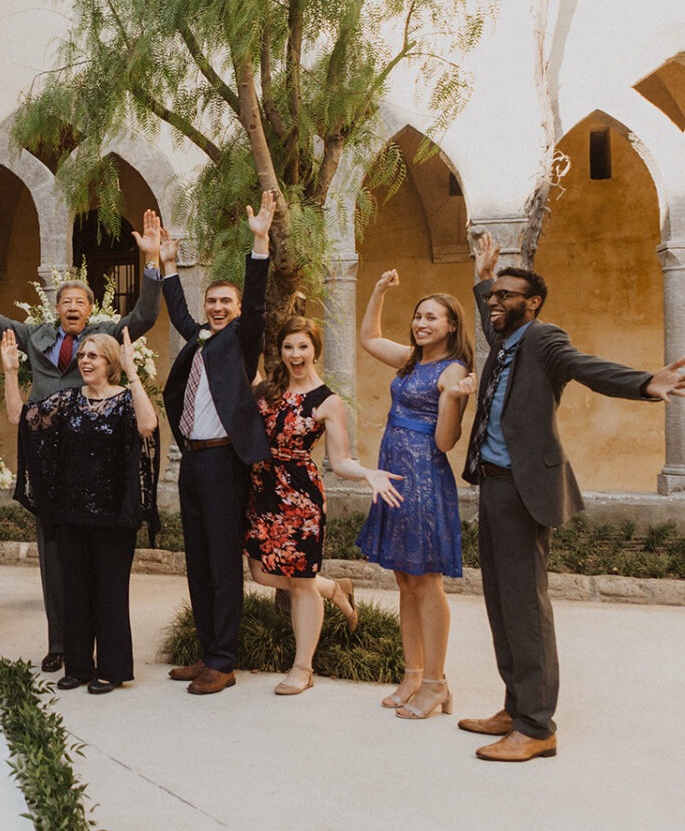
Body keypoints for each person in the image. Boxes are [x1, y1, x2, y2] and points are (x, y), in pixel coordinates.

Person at [447, 232, 685, 761]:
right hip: (493, 484)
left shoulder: (543, 339)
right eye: (493, 296)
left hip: (525, 488)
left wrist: (647, 383)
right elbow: (489, 316)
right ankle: (516, 706)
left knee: (525, 607)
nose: (495, 302)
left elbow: (586, 367)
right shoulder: (505, 337)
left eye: (507, 295)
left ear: (532, 303)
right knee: (500, 602)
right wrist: (483, 276)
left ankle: (536, 727)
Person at [0, 211, 164, 674]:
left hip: (95, 454)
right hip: (48, 453)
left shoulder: (105, 337)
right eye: (66, 301)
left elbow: (146, 314)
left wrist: (150, 262)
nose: (73, 307)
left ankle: (96, 649)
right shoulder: (34, 336)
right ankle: (60, 644)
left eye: (80, 303)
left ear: (91, 311)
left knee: (94, 558)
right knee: (55, 556)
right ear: (57, 308)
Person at [246, 318, 403, 696]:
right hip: (261, 490)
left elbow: (340, 459)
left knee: (300, 584)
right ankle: (334, 588)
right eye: (288, 347)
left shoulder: (327, 401)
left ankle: (303, 668)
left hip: (299, 496)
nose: (295, 355)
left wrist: (367, 474)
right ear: (280, 352)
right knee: (260, 574)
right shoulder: (267, 388)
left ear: (315, 349)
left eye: (303, 347)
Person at [159, 191, 275, 695]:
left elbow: (255, 300)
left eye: (225, 302)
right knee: (199, 558)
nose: (219, 307)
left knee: (224, 561)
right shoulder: (201, 338)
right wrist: (165, 265)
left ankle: (224, 661)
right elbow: (180, 313)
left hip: (226, 461)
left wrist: (260, 244)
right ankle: (207, 652)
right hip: (194, 461)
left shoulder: (241, 340)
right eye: (213, 302)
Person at [6, 330, 159, 694]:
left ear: (111, 363)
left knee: (110, 592)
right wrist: (12, 371)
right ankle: (78, 666)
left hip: (113, 516)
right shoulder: (68, 401)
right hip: (73, 512)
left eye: (94, 356)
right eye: (83, 356)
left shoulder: (124, 400)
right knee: (74, 590)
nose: (86, 361)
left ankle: (112, 668)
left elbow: (148, 425)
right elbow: (19, 417)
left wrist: (134, 374)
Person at [357, 270, 473, 718]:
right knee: (404, 578)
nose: (422, 323)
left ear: (451, 326)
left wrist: (451, 400)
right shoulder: (411, 360)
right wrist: (379, 290)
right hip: (395, 473)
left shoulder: (453, 370)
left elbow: (445, 443)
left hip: (424, 476)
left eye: (432, 318)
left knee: (425, 581)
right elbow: (369, 338)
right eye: (419, 316)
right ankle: (412, 673)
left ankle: (436, 683)